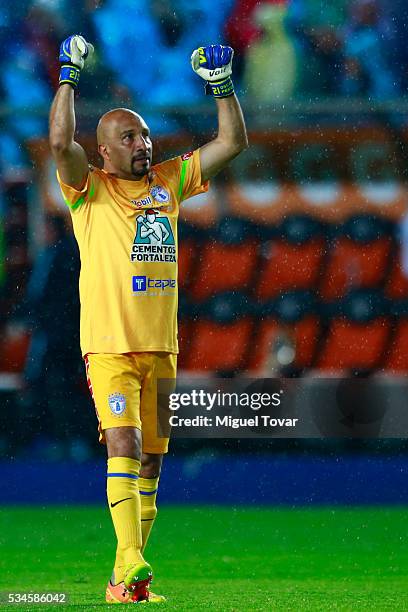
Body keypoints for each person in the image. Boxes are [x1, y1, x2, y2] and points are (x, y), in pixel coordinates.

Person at [49, 35, 247, 604]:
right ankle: (134, 557)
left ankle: (124, 582)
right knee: (125, 442)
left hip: (161, 344)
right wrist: (68, 74)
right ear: (103, 152)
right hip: (110, 344)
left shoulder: (168, 182)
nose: (144, 143)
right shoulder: (88, 190)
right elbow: (60, 138)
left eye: (145, 135)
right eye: (128, 137)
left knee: (153, 456)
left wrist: (222, 88)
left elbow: (233, 141)